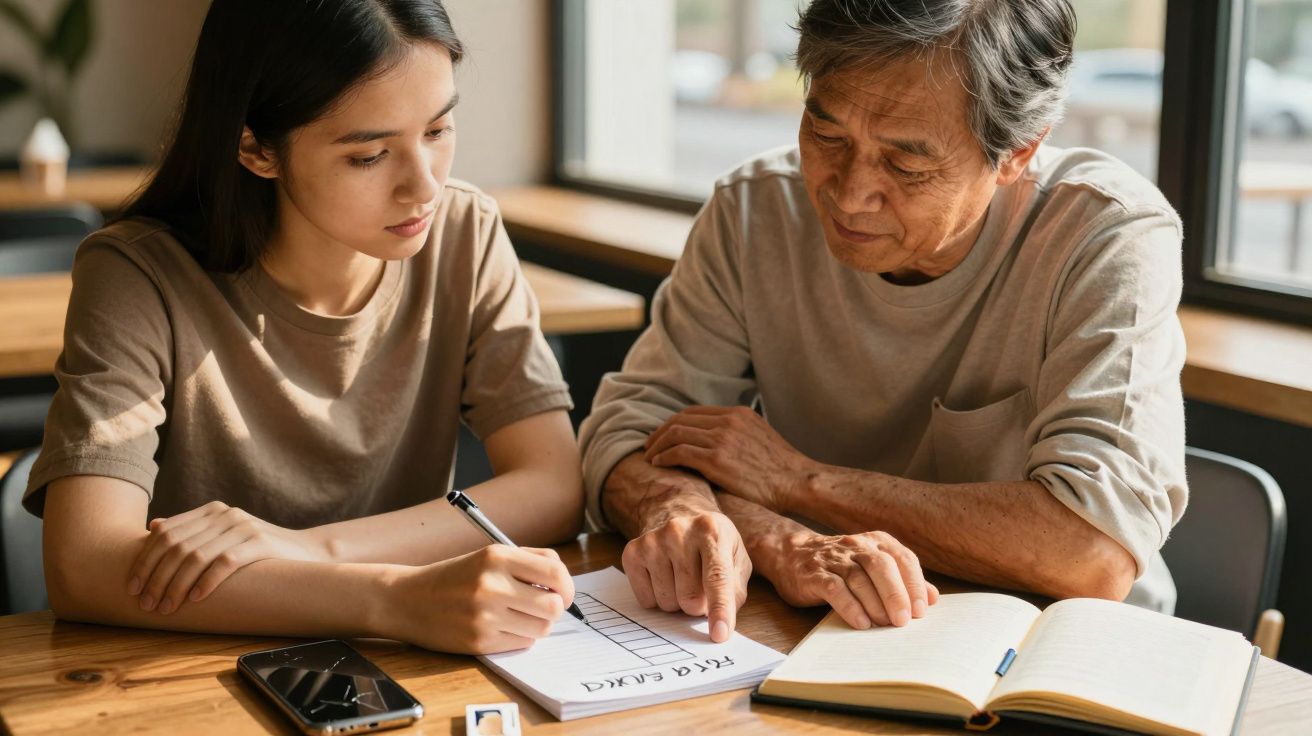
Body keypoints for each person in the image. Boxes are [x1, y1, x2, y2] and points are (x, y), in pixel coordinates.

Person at [580, 0, 1186, 643]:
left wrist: (797, 481)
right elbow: (627, 434)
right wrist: (748, 530)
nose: (847, 194)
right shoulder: (754, 211)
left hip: (1060, 647)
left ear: (1016, 153)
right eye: (826, 134)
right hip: (832, 624)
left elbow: (1090, 550)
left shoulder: (1105, 234)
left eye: (906, 164)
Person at [25, 0, 584, 655]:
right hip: (189, 671)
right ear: (257, 149)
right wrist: (389, 599)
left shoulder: (465, 233)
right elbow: (85, 565)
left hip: (412, 659)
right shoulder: (138, 274)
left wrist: (309, 549)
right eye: (370, 155)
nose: (424, 188)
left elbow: (553, 484)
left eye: (437, 129)